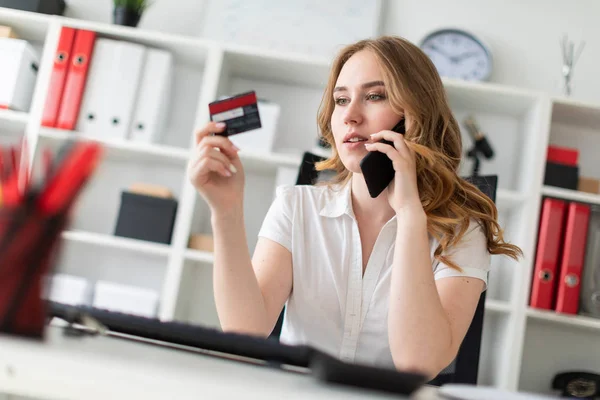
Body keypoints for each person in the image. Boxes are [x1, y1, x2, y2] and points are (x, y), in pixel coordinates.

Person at [187, 35, 522, 380]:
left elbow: (419, 364)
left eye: (375, 96)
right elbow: (246, 334)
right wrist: (225, 212)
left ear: (416, 115)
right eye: (341, 99)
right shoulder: (296, 207)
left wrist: (409, 217)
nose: (350, 115)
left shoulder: (462, 231)